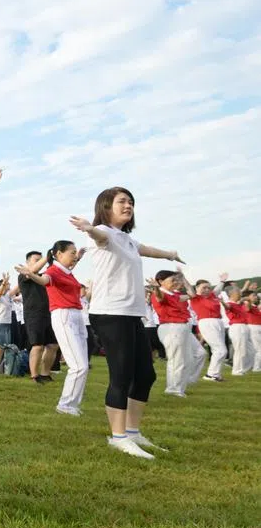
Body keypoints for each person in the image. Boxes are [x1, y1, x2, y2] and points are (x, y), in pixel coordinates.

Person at [70, 186, 184, 460]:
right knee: (121, 375)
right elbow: (99, 236)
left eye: (131, 201)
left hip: (131, 314)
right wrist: (89, 228)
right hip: (110, 313)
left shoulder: (127, 240)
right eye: (122, 201)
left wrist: (170, 254)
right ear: (106, 206)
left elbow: (147, 250)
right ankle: (118, 437)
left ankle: (133, 432)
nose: (128, 205)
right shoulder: (105, 233)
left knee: (146, 375)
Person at [16, 241, 89, 415]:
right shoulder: (52, 271)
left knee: (83, 365)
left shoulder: (66, 272)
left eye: (75, 253)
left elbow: (66, 269)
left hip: (75, 315)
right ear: (59, 254)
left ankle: (72, 404)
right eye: (71, 253)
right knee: (78, 365)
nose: (74, 256)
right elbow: (44, 280)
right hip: (63, 315)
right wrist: (30, 273)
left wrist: (78, 258)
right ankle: (65, 405)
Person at [150, 270, 202, 397]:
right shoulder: (160, 293)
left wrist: (183, 278)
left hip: (183, 327)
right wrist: (156, 288)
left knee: (199, 354)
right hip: (171, 328)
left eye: (176, 280)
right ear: (161, 282)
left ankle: (184, 380)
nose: (175, 282)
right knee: (177, 360)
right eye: (172, 280)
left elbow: (192, 294)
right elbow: (159, 297)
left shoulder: (174, 295)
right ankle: (173, 389)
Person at [17, 250, 59, 384]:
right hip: (33, 315)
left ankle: (45, 373)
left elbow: (59, 272)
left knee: (53, 345)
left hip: (48, 313)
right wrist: (47, 257)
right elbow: (33, 270)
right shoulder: (23, 275)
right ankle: (34, 376)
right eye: (36, 260)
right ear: (27, 262)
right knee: (37, 345)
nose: (40, 262)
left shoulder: (42, 277)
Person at [191, 278, 227, 381]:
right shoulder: (195, 297)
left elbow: (217, 290)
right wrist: (182, 277)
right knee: (220, 350)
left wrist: (222, 281)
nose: (207, 290)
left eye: (208, 287)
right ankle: (211, 375)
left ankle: (215, 374)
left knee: (219, 350)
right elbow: (189, 287)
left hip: (218, 322)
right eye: (204, 288)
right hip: (206, 322)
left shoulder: (212, 296)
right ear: (197, 288)